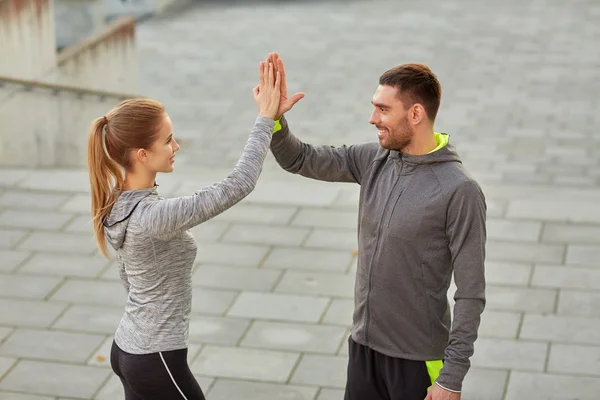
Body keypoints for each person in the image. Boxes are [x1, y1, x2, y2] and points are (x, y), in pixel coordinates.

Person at [262, 52, 486, 400]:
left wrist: (451, 378)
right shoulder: (373, 160)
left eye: (383, 109)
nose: (372, 118)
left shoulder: (459, 190)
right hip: (363, 349)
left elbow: (471, 292)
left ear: (415, 113)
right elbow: (299, 158)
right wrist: (274, 119)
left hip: (417, 361)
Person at [86, 61, 281, 399]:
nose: (176, 147)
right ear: (143, 154)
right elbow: (237, 184)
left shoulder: (116, 204)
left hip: (130, 348)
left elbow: (129, 276)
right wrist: (266, 118)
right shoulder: (154, 217)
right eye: (168, 140)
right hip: (155, 358)